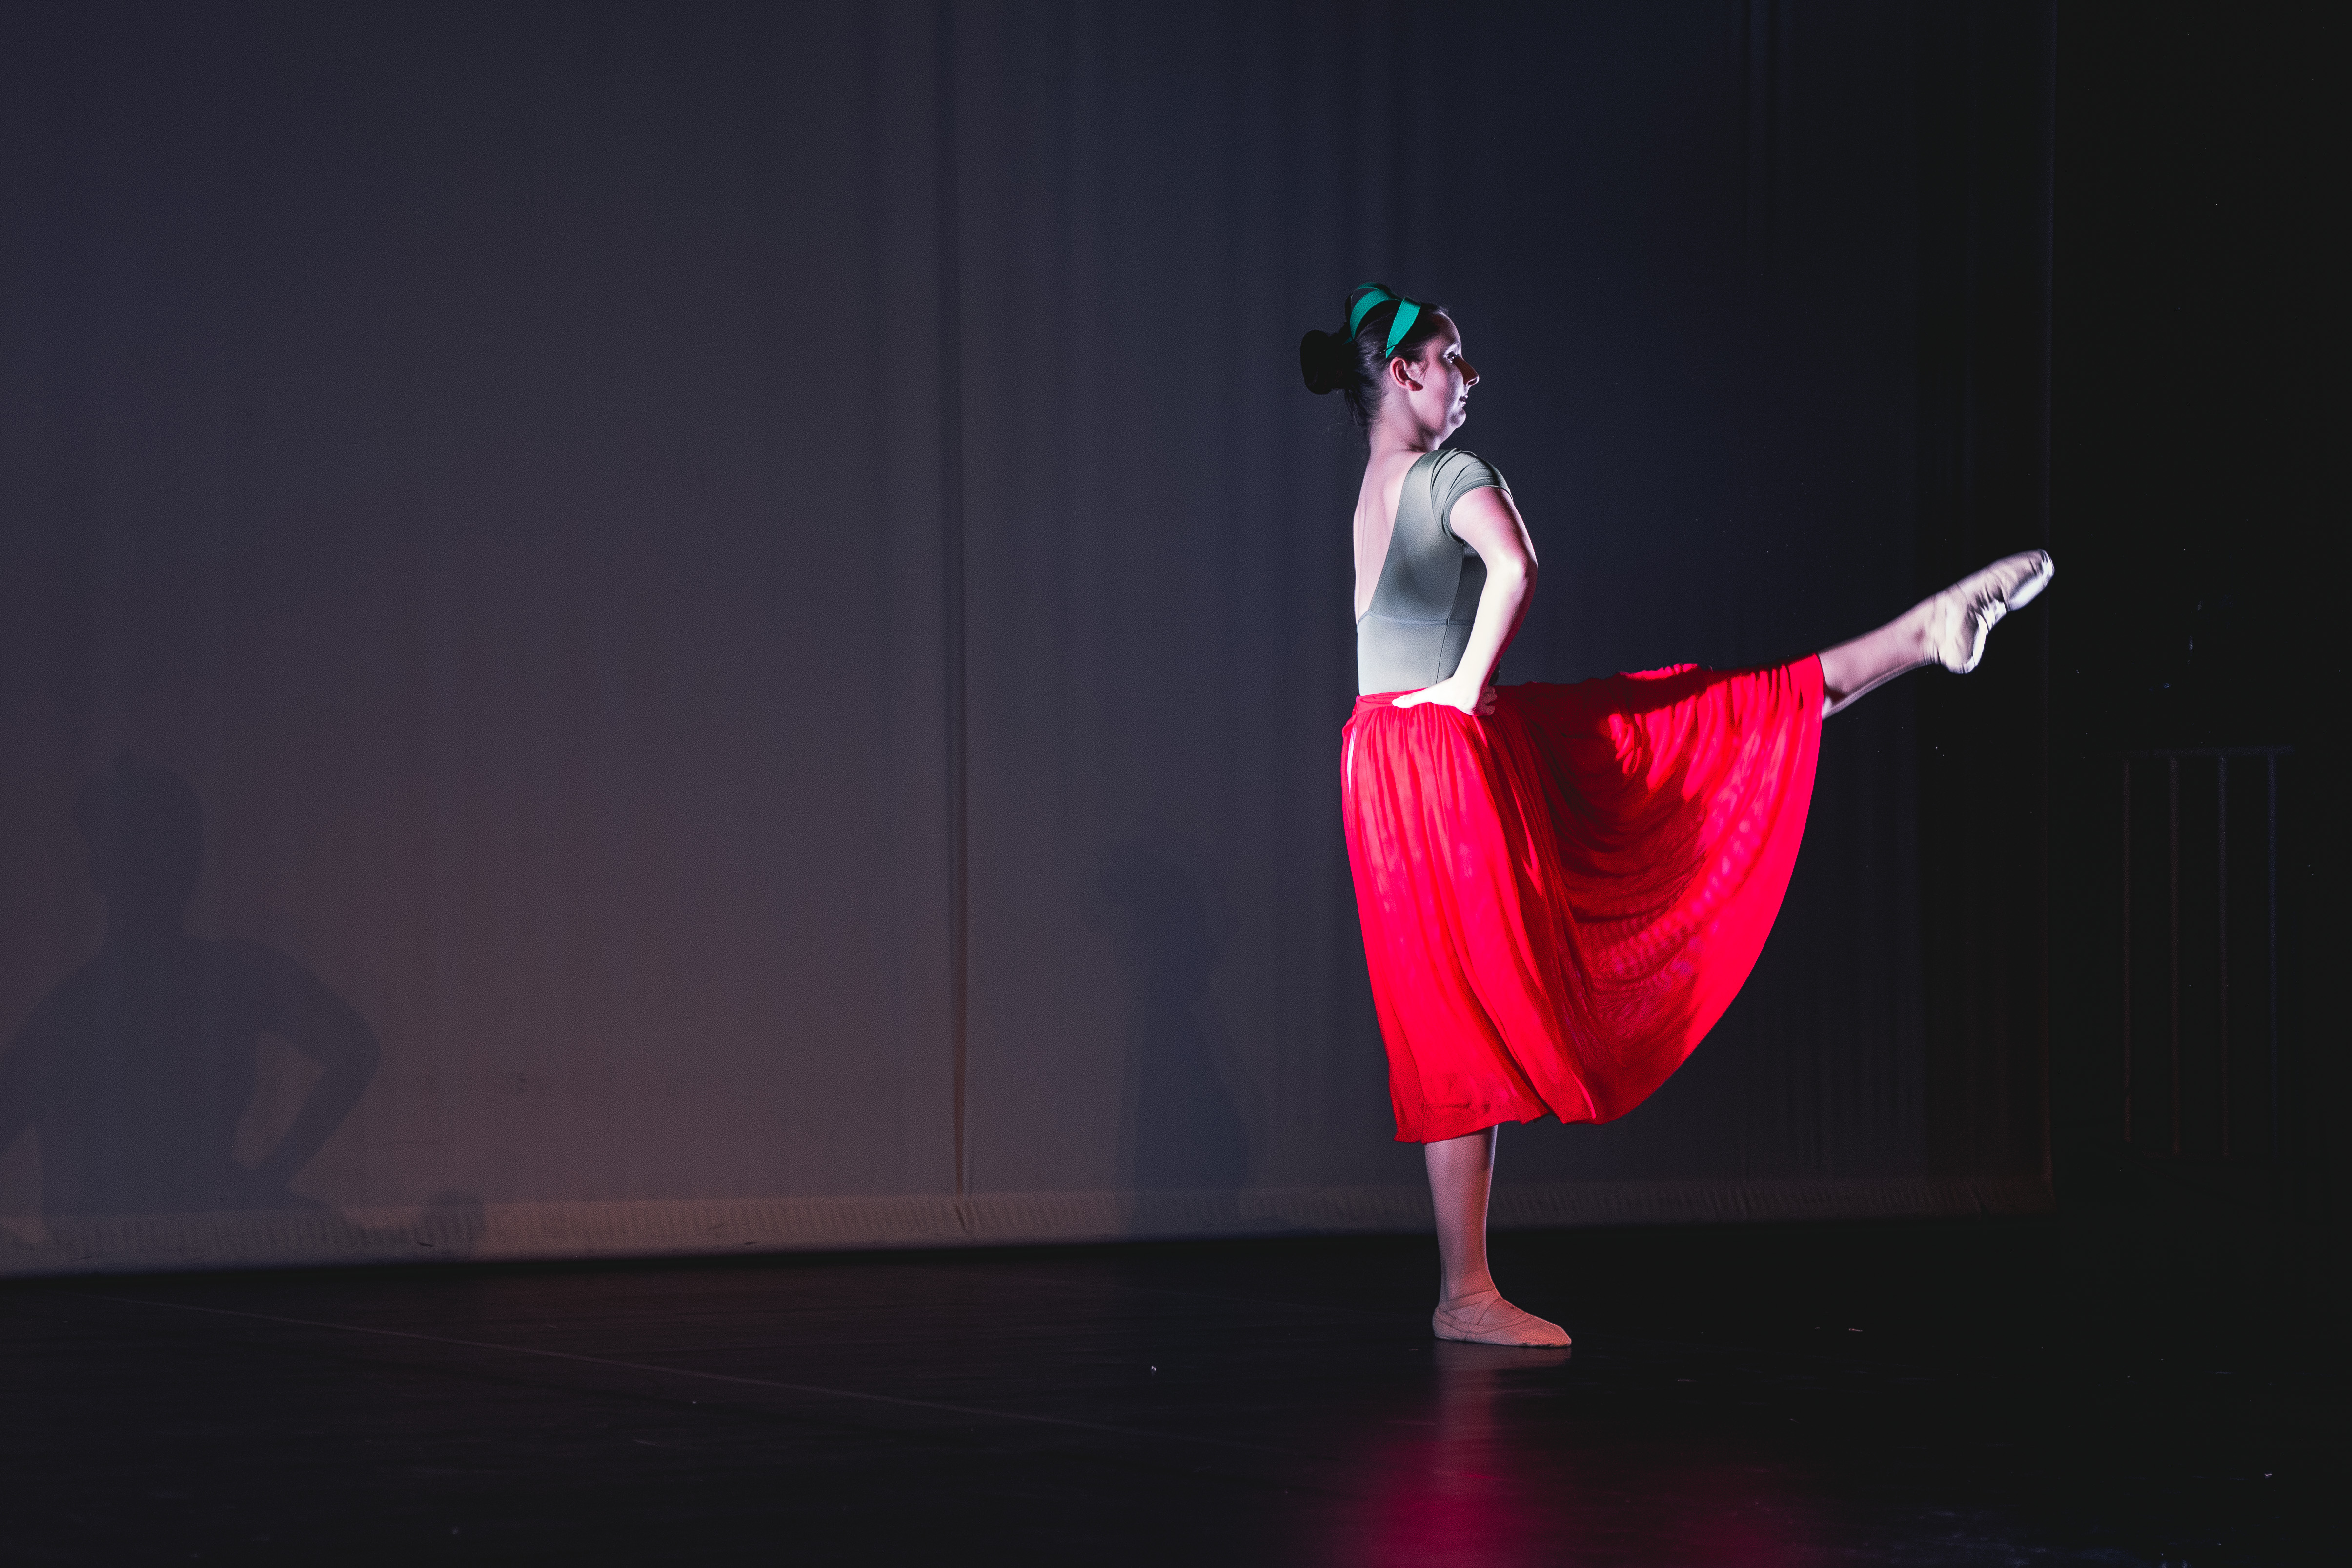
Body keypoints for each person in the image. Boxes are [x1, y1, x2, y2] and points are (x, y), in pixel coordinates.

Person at [1302, 285, 2052, 1347]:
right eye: (1454, 357)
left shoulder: (1376, 489)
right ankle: (1462, 1292)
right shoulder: (1445, 474)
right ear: (1406, 369)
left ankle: (1463, 1288)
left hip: (1384, 756)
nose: (1470, 375)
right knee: (1693, 730)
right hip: (1437, 752)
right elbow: (1516, 566)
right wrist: (1465, 691)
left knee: (1462, 1007)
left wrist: (1458, 695)